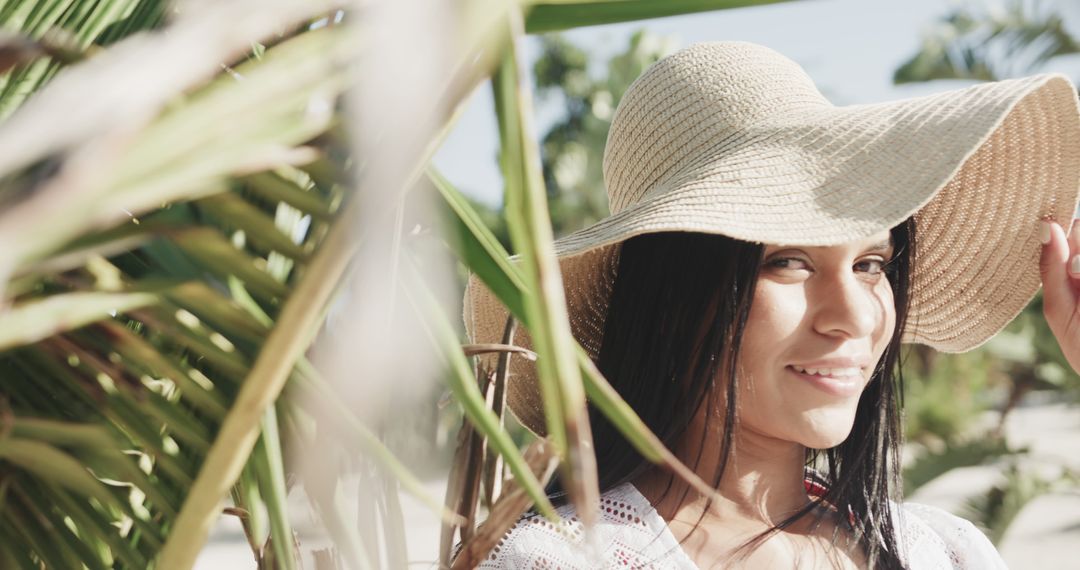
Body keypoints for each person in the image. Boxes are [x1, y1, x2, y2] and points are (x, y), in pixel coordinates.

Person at [462, 41, 1080, 569]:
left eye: (871, 264)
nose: (857, 317)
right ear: (674, 298)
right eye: (788, 260)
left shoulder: (939, 550)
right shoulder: (555, 559)